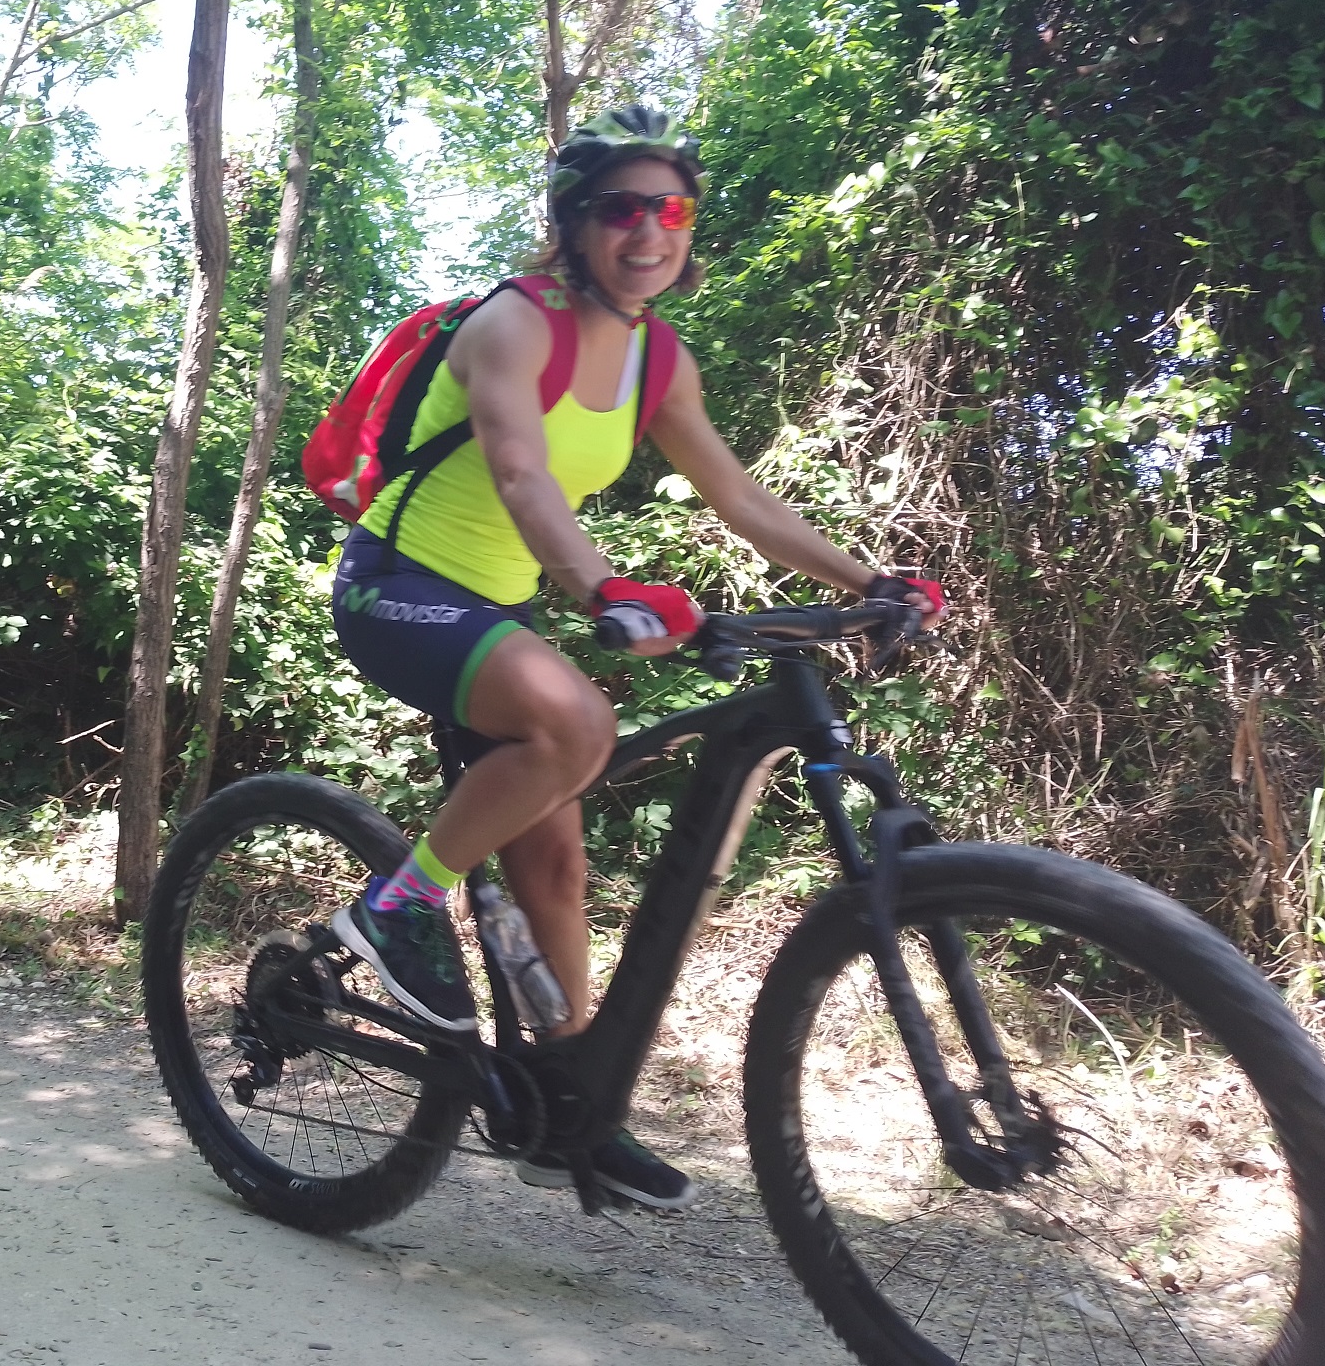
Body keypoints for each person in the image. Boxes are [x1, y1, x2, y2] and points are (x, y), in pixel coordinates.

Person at [328, 105, 941, 1209]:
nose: (648, 230)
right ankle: (398, 906)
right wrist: (605, 588)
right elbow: (519, 473)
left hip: (495, 609)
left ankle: (570, 1103)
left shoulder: (661, 357)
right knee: (578, 723)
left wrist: (870, 585)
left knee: (557, 862)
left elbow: (740, 497)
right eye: (621, 208)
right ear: (575, 223)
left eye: (672, 210)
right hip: (397, 586)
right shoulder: (515, 324)